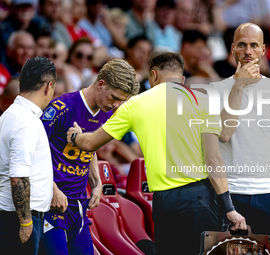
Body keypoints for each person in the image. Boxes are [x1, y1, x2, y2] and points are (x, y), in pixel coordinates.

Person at [66, 52, 246, 255]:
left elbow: (90, 143)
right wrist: (229, 207)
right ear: (182, 79)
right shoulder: (202, 103)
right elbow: (214, 160)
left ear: (153, 76)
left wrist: (75, 137)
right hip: (201, 199)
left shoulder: (135, 105)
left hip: (164, 202)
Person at [210, 22, 270, 255]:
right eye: (242, 45)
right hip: (231, 195)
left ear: (263, 50)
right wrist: (239, 85)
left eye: (253, 45)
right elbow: (223, 134)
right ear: (232, 49)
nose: (248, 51)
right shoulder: (216, 89)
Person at [38, 59, 139, 255]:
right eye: (114, 97)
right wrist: (51, 187)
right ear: (101, 84)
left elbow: (90, 148)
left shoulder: (106, 111)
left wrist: (96, 182)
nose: (116, 105)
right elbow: (30, 148)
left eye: (121, 101)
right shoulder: (62, 107)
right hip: (50, 204)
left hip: (78, 206)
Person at [0, 56, 56, 255]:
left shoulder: (12, 114)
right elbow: (18, 177)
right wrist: (26, 222)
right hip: (16, 220)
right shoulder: (25, 121)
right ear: (49, 86)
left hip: (10, 217)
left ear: (21, 84)